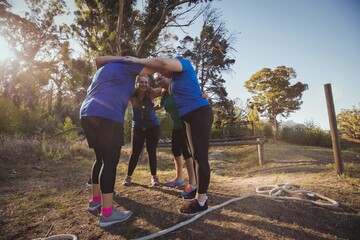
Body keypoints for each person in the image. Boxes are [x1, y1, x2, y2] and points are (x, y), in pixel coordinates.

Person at [122, 55, 214, 215]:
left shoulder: (184, 63)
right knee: (196, 156)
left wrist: (137, 60)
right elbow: (162, 91)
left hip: (198, 113)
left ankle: (201, 202)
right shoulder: (173, 81)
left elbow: (162, 62)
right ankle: (199, 191)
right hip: (190, 117)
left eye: (160, 73)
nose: (159, 75)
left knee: (200, 157)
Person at [79, 50, 154, 227]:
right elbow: (153, 65)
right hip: (107, 115)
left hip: (87, 112)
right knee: (110, 163)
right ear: (131, 59)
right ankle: (107, 214)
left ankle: (95, 200)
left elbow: (97, 59)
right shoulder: (128, 65)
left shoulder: (105, 68)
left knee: (100, 159)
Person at [152, 73, 196, 199]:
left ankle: (192, 184)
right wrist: (153, 108)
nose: (159, 81)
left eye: (161, 78)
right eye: (157, 79)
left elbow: (192, 96)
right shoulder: (164, 93)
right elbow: (161, 105)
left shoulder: (177, 88)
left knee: (187, 153)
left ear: (168, 77)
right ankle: (179, 178)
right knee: (175, 150)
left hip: (186, 122)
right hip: (176, 124)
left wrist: (203, 95)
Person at [122, 75, 160, 187]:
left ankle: (154, 177)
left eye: (145, 82)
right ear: (137, 83)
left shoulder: (152, 93)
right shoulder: (131, 95)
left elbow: (166, 88)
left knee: (151, 151)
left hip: (153, 127)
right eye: (141, 82)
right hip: (138, 127)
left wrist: (162, 104)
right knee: (135, 153)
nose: (144, 84)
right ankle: (128, 177)